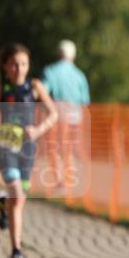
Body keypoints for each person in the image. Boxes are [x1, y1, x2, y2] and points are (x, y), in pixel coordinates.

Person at [0, 44, 58, 258]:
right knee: (16, 194)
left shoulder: (34, 87)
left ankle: (3, 206)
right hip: (6, 146)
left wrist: (38, 130)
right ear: (5, 66)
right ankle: (16, 251)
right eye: (14, 64)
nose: (19, 69)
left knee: (19, 199)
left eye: (23, 64)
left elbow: (53, 114)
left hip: (28, 149)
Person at [42, 40, 90, 191]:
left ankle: (60, 180)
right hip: (75, 115)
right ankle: (69, 179)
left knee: (54, 147)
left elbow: (43, 92)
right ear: (73, 55)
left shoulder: (50, 71)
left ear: (58, 53)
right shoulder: (80, 75)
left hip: (56, 114)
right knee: (68, 147)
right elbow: (85, 100)